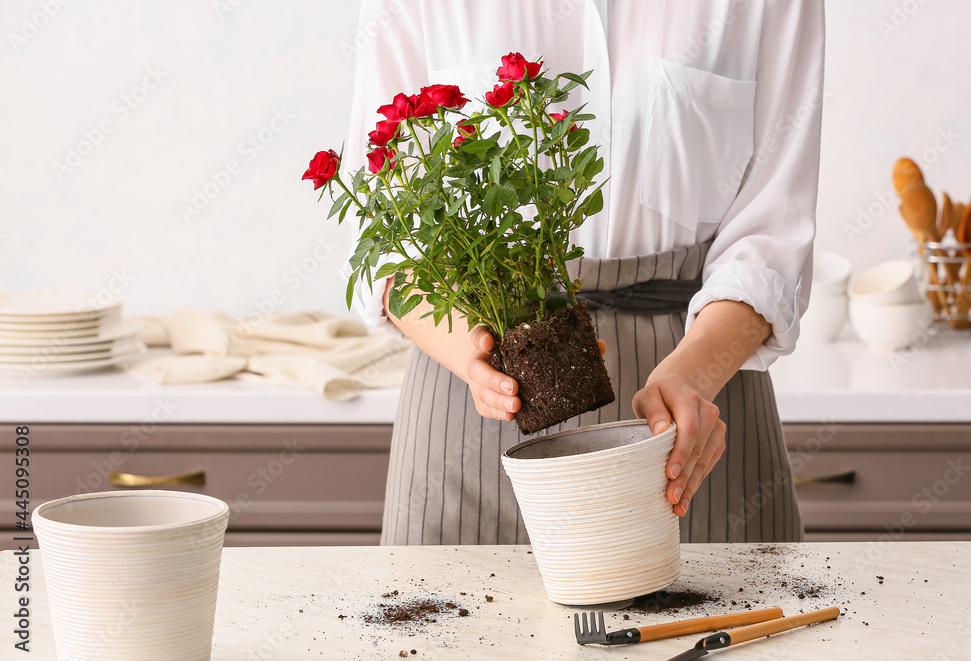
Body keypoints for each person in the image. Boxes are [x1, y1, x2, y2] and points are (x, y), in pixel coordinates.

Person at [342, 1, 824, 546]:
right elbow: (386, 238)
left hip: (690, 415)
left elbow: (771, 238)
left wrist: (691, 378)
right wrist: (473, 357)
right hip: (470, 403)